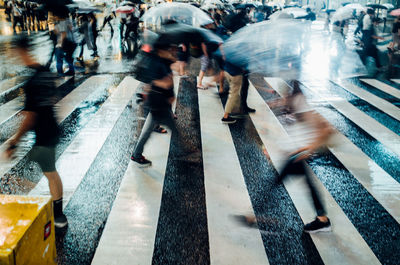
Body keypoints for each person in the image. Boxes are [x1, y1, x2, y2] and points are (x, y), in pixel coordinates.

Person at [5, 35, 68, 228]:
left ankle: (58, 217)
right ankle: (56, 213)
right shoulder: (44, 71)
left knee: (47, 174)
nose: (12, 57)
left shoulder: (32, 81)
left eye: (13, 53)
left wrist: (14, 141)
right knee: (48, 173)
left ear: (20, 51)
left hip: (43, 134)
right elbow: (53, 97)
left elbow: (30, 117)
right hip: (51, 129)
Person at [131, 42, 179, 167]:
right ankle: (185, 151)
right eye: (169, 48)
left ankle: (136, 154)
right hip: (158, 101)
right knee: (171, 128)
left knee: (150, 128)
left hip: (159, 101)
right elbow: (156, 81)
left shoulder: (162, 60)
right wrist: (163, 83)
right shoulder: (156, 61)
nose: (172, 50)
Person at [54, 8, 77, 76]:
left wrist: (60, 44)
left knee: (59, 58)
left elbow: (63, 33)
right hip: (71, 42)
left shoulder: (62, 22)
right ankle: (71, 71)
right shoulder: (68, 20)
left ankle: (60, 73)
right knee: (68, 58)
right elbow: (71, 29)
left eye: (55, 15)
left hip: (64, 43)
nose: (54, 17)